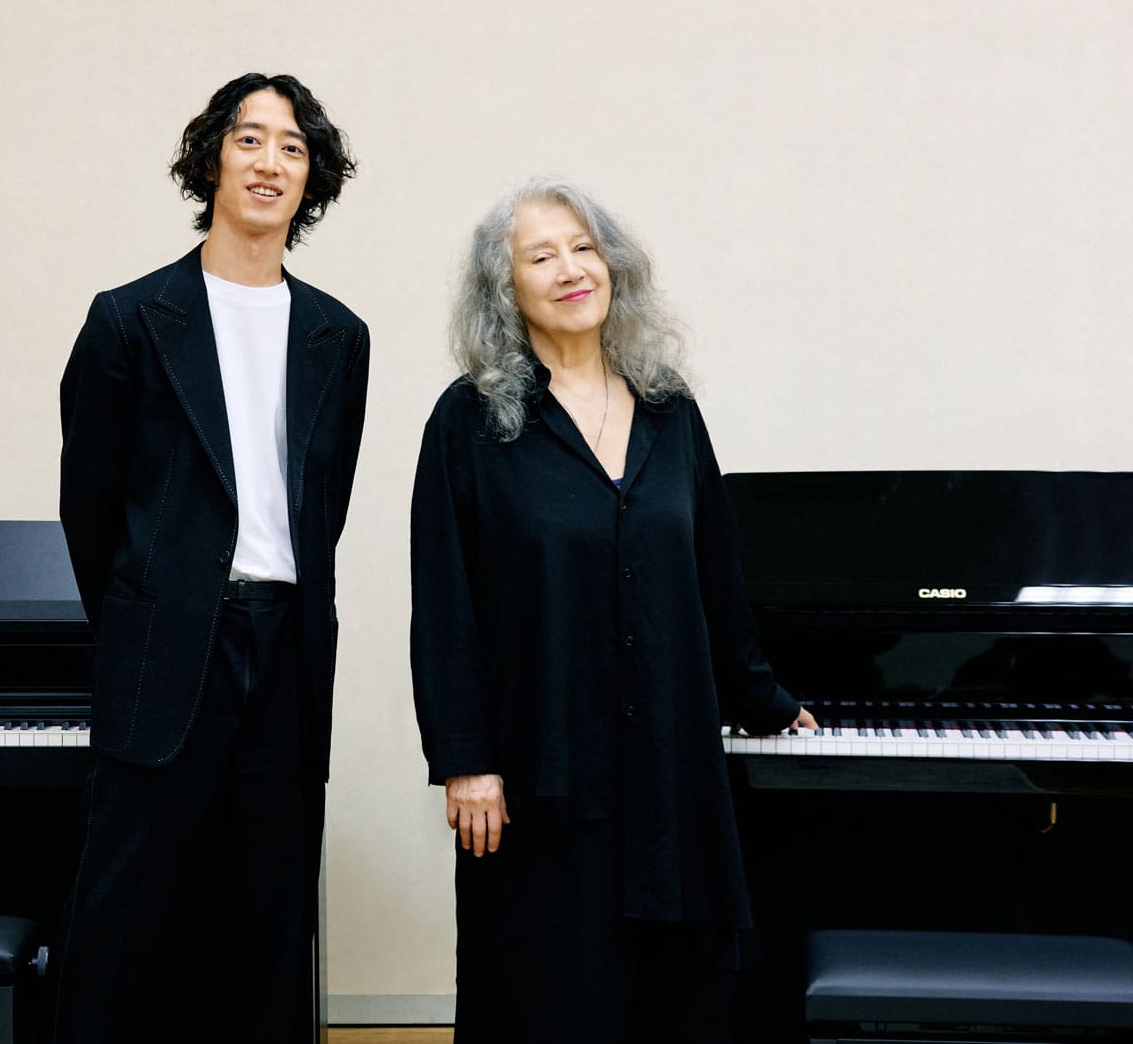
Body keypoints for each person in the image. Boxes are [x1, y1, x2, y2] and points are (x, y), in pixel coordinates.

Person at [410, 176, 815, 1043]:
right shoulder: (468, 422)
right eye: (541, 256)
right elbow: (444, 604)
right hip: (543, 775)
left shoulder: (670, 410)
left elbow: (716, 574)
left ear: (613, 265)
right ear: (504, 290)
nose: (570, 269)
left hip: (672, 769)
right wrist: (465, 760)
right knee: (550, 998)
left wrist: (766, 699)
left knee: (680, 1001)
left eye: (584, 247)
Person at [53, 73, 368, 1044]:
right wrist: (150, 612)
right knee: (122, 921)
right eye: (249, 139)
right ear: (211, 160)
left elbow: (324, 508)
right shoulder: (128, 319)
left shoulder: (339, 336)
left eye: (293, 147)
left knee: (268, 921)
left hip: (286, 649)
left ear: (311, 179)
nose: (270, 161)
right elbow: (89, 508)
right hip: (167, 646)